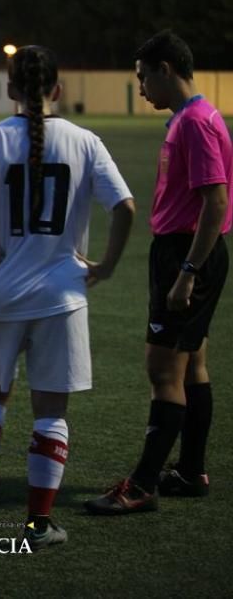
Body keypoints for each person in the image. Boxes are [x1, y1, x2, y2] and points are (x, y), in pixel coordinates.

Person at [0, 45, 135, 549]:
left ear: (9, 90)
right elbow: (126, 208)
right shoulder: (85, 141)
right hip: (60, 295)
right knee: (50, 411)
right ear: (58, 90)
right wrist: (107, 265)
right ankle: (38, 522)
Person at [85, 30, 232, 515]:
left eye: (143, 76)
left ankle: (144, 483)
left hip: (186, 253)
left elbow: (216, 201)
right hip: (187, 251)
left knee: (162, 368)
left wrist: (188, 270)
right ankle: (190, 471)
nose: (141, 86)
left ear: (165, 69)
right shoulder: (193, 117)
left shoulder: (195, 123)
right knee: (192, 363)